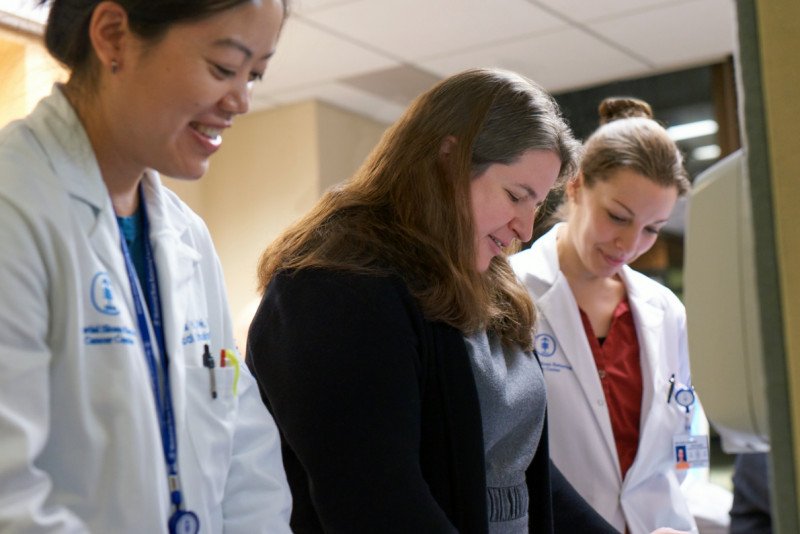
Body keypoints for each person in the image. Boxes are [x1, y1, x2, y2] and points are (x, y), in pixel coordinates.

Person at [246, 68, 687, 534]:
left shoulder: (487, 283)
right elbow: (378, 503)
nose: (523, 227)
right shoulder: (335, 287)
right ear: (448, 158)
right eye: (516, 195)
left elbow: (527, 477)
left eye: (535, 204)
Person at [0, 1, 292, 532]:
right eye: (225, 68)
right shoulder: (12, 207)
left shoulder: (188, 240)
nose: (242, 101)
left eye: (255, 75)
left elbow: (243, 456)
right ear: (113, 36)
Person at [510, 97, 700, 534]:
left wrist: (680, 502)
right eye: (618, 217)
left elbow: (688, 431)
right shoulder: (510, 293)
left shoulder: (664, 309)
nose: (629, 245)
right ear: (575, 185)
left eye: (652, 228)